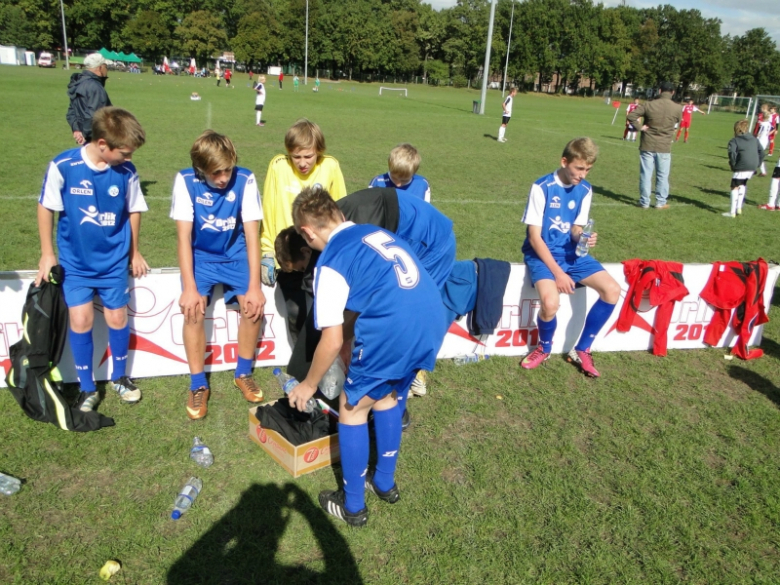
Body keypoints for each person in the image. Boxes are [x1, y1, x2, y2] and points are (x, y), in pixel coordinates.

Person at [287, 186, 449, 527]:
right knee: (386, 393)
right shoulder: (374, 232)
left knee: (352, 404)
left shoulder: (330, 261)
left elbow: (330, 341)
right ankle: (385, 482)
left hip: (395, 326)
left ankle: (353, 505)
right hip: (431, 318)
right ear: (340, 215)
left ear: (307, 231)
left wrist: (308, 384)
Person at [276, 186, 457, 401]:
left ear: (307, 241)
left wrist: (338, 345)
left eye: (301, 268)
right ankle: (388, 398)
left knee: (359, 399)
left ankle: (401, 390)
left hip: (431, 242)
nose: (305, 273)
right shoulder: (334, 219)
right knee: (383, 381)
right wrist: (344, 340)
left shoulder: (342, 246)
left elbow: (367, 301)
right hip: (408, 233)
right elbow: (360, 297)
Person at [37, 107, 149, 412]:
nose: (128, 158)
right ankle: (87, 387)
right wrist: (48, 253)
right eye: (124, 152)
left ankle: (120, 377)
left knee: (117, 317)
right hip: (76, 263)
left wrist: (134, 251)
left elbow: (134, 210)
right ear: (102, 144)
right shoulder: (64, 165)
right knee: (81, 319)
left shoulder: (127, 172)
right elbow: (47, 207)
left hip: (113, 262)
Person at [170, 131, 265, 420]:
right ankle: (198, 384)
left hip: (235, 255)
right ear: (200, 169)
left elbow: (252, 235)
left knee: (253, 308)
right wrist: (189, 287)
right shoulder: (185, 181)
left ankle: (243, 372)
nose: (224, 177)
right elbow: (184, 238)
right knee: (193, 311)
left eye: (227, 170)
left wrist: (254, 286)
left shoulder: (245, 179)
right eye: (216, 173)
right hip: (202, 257)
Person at [519, 137, 620, 378]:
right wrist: (558, 273)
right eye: (579, 168)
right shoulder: (541, 187)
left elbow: (575, 228)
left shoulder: (585, 190)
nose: (583, 174)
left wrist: (582, 237)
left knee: (612, 290)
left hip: (571, 255)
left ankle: (582, 349)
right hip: (542, 255)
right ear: (564, 162)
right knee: (551, 304)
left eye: (588, 169)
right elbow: (534, 237)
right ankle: (544, 348)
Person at [260, 120, 347, 346]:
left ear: (319, 150)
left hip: (321, 254)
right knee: (295, 312)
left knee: (325, 312)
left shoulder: (331, 166)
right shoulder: (278, 166)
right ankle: (303, 369)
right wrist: (268, 250)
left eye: (308, 156)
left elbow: (340, 210)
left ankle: (329, 362)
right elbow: (269, 208)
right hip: (289, 253)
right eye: (296, 157)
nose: (302, 163)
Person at [627, 81, 682, 209]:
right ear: (672, 92)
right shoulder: (677, 108)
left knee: (646, 174)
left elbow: (631, 115)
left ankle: (644, 202)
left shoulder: (649, 105)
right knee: (662, 175)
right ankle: (660, 202)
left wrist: (640, 127)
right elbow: (677, 121)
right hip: (664, 145)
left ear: (659, 91)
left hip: (648, 143)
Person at [66, 53, 112, 145]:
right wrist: (86, 135)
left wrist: (76, 129)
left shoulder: (79, 82)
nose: (107, 69)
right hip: (96, 139)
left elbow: (72, 111)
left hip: (86, 136)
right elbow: (94, 114)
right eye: (106, 66)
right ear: (100, 68)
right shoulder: (95, 87)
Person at [725, 120, 764, 218]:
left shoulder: (734, 140)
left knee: (734, 186)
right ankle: (739, 208)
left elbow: (732, 153)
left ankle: (732, 212)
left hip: (742, 166)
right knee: (743, 183)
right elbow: (762, 153)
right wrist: (757, 164)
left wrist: (733, 164)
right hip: (752, 166)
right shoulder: (754, 139)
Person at [755, 112, 774, 177]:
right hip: (766, 140)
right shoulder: (769, 124)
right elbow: (773, 129)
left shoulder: (762, 124)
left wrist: (756, 137)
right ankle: (761, 171)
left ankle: (758, 170)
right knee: (759, 155)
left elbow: (759, 133)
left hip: (761, 140)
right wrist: (768, 133)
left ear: (763, 117)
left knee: (757, 155)